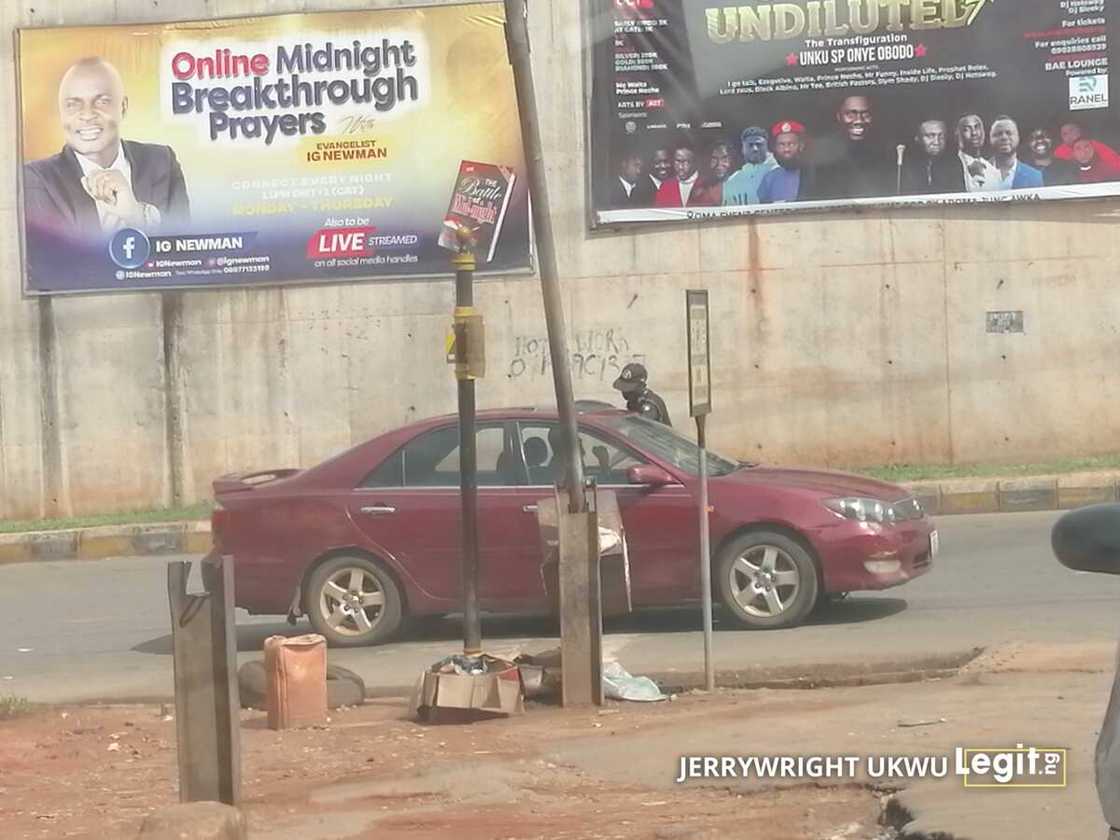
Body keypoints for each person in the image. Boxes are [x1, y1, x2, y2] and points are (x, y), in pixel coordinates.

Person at [23, 56, 190, 241]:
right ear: (61, 114)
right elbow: (53, 260)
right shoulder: (36, 178)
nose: (87, 115)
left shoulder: (162, 161)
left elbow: (184, 247)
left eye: (101, 101)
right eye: (73, 104)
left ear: (123, 107)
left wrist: (137, 215)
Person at [811, 93, 892, 200]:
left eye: (866, 114)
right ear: (839, 117)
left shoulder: (885, 152)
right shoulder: (824, 154)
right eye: (851, 115)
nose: (859, 120)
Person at [722, 127, 779, 206]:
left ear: (767, 146)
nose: (755, 149)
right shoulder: (733, 181)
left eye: (759, 145)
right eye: (750, 145)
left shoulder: (779, 173)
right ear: (743, 148)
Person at [758, 120, 812, 203]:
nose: (786, 149)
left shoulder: (812, 174)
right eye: (781, 144)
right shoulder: (769, 179)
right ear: (775, 148)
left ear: (801, 146)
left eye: (791, 144)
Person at [900, 119, 955, 194]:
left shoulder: (954, 164)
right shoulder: (904, 165)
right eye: (930, 136)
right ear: (917, 138)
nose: (937, 142)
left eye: (941, 136)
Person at [988, 117, 1043, 189]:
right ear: (990, 139)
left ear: (1018, 137)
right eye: (998, 134)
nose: (1004, 137)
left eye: (1009, 133)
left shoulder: (1034, 177)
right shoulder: (976, 173)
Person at [952, 113, 1000, 192]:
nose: (974, 133)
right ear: (959, 134)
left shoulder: (991, 169)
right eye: (967, 129)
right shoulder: (952, 167)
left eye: (977, 127)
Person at [1055, 121, 1120, 171]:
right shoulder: (1059, 152)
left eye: (1071, 130)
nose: (1069, 136)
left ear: (1079, 131)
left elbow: (1117, 163)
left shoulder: (1094, 145)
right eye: (1065, 134)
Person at [691, 141, 736, 206]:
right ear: (708, 160)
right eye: (714, 159)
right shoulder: (699, 191)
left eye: (724, 159)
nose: (719, 164)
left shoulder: (740, 186)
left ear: (731, 160)